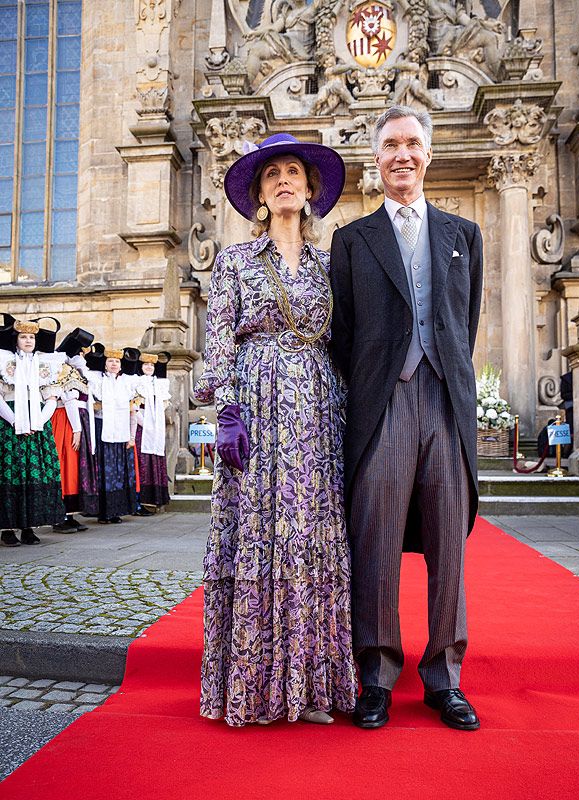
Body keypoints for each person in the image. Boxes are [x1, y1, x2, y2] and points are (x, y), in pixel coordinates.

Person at [195, 132, 357, 727]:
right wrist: (227, 413)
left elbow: (347, 344)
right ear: (260, 195)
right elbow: (218, 341)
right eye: (272, 175)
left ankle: (310, 687)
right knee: (258, 533)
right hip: (256, 411)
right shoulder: (236, 262)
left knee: (311, 533)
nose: (285, 180)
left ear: (311, 189)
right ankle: (256, 687)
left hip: (317, 413)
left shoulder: (330, 265)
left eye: (295, 171)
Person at [330, 106, 483, 731]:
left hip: (444, 401)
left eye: (413, 144)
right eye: (390, 144)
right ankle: (376, 676)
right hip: (382, 405)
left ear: (429, 154)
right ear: (376, 157)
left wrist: (444, 375)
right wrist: (378, 382)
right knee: (375, 543)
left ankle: (444, 678)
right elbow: (342, 337)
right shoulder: (351, 238)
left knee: (449, 546)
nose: (402, 154)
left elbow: (463, 324)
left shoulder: (463, 234)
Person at [0, 318, 66, 546]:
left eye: (31, 337)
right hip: (10, 421)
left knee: (34, 472)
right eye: (23, 337)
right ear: (16, 340)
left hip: (37, 422)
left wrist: (37, 421)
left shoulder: (45, 364)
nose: (28, 340)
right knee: (11, 471)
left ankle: (29, 526)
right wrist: (14, 420)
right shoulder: (4, 361)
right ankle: (7, 528)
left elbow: (52, 398)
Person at [69, 345, 138, 524]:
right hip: (103, 427)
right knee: (104, 469)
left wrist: (132, 436)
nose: (114, 364)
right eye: (110, 361)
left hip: (121, 430)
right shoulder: (97, 379)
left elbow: (133, 411)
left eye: (117, 361)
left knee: (118, 470)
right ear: (105, 364)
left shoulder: (127, 382)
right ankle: (103, 512)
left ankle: (117, 511)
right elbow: (83, 372)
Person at [52, 327, 98, 532]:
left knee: (74, 467)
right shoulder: (63, 370)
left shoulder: (78, 372)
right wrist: (77, 429)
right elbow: (69, 399)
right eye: (80, 353)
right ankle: (59, 514)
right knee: (66, 464)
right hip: (67, 420)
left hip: (78, 420)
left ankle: (69, 513)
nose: (82, 357)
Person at [133, 352, 171, 511]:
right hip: (142, 427)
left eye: (151, 365)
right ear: (141, 367)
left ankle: (155, 498)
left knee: (155, 458)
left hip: (156, 428)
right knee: (142, 461)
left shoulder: (159, 384)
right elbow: (134, 407)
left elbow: (163, 406)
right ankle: (140, 500)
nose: (149, 367)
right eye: (146, 364)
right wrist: (145, 424)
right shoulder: (137, 382)